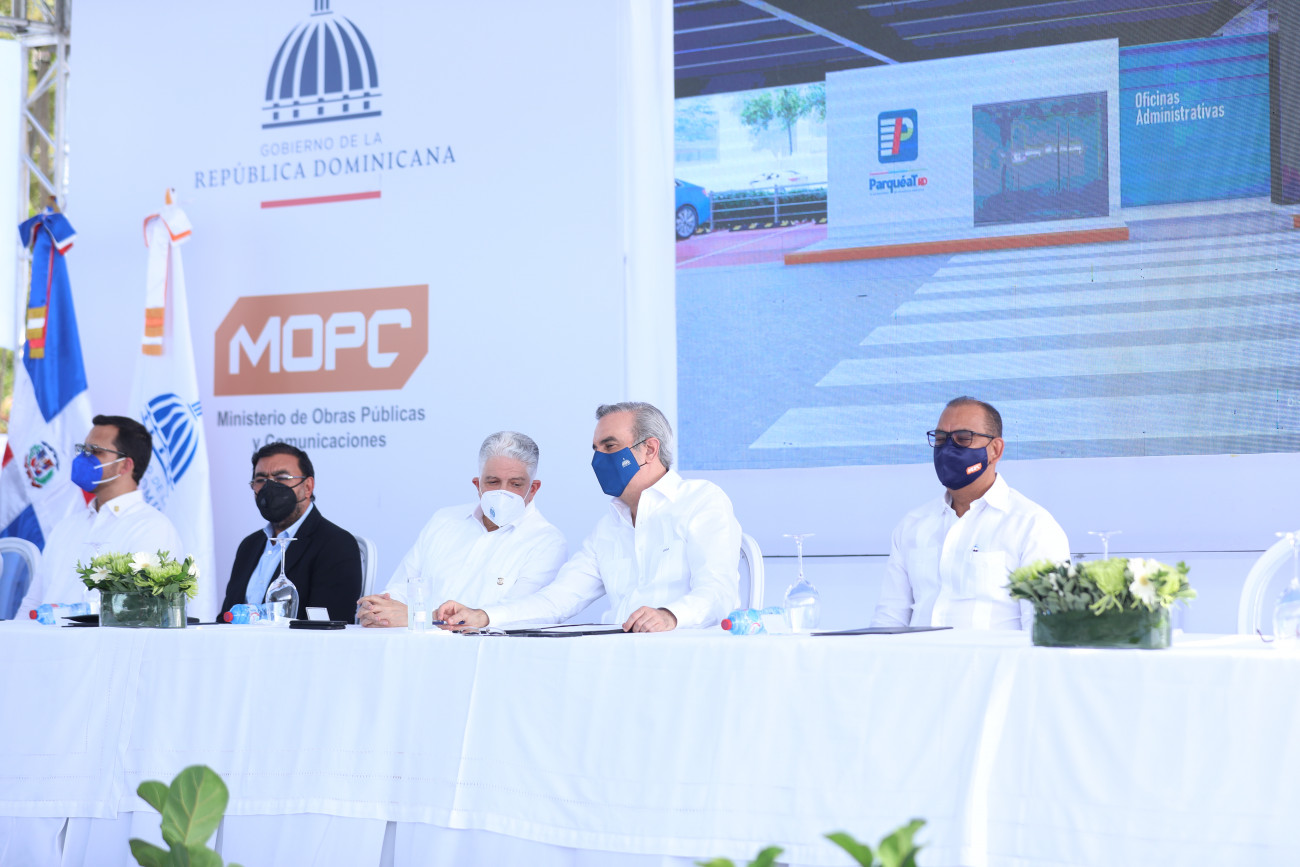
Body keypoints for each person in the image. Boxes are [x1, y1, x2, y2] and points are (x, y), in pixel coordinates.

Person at [436, 402, 742, 633]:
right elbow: (558, 600)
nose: (599, 459)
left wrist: (669, 616)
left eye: (610, 446)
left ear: (649, 449)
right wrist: (483, 616)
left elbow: (719, 592)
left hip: (687, 658)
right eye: (596, 449)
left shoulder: (700, 501)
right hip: (619, 659)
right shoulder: (607, 528)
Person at [870, 396, 1070, 631]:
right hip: (916, 655)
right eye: (941, 439)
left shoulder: (1032, 526)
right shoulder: (913, 525)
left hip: (991, 656)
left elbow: (1046, 630)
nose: (947, 449)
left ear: (995, 450)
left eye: (963, 439)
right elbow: (888, 622)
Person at [357, 431, 567, 628]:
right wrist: (379, 610)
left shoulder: (547, 542)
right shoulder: (444, 520)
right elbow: (401, 589)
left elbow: (515, 617)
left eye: (515, 484)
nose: (503, 492)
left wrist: (418, 617)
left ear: (533, 488)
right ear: (478, 485)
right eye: (493, 482)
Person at [14, 415, 183, 616]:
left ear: (125, 466)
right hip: (43, 636)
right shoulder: (66, 526)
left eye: (95, 452)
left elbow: (143, 614)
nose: (83, 459)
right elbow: (32, 605)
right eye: (83, 450)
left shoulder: (152, 529)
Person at [217, 442, 361, 622]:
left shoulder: (337, 544)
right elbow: (226, 617)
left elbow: (330, 624)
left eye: (282, 478)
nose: (269, 487)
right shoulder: (249, 545)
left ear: (307, 487)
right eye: (260, 480)